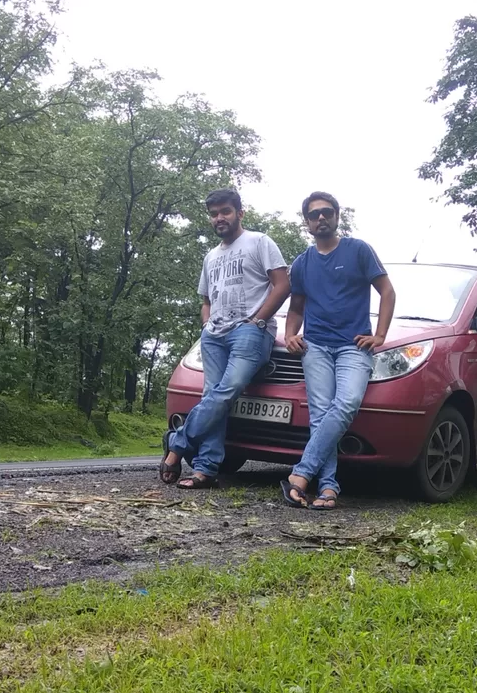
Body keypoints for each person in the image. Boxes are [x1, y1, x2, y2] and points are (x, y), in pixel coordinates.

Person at [160, 188, 290, 489]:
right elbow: (206, 299)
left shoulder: (259, 242)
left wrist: (258, 320)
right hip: (214, 336)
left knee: (226, 392)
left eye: (226, 212)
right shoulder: (211, 256)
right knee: (213, 398)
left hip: (249, 331)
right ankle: (205, 470)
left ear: (239, 213)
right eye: (214, 213)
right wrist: (206, 325)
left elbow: (283, 285)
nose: (219, 218)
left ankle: (176, 446)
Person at [281, 191, 395, 509]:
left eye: (326, 212)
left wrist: (381, 334)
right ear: (306, 222)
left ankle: (300, 475)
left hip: (353, 346)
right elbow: (296, 307)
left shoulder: (358, 250)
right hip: (315, 346)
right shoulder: (302, 263)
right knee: (320, 416)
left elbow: (387, 291)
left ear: (336, 216)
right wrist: (290, 334)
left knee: (346, 404)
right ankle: (328, 489)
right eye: (314, 214)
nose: (321, 218)